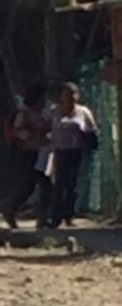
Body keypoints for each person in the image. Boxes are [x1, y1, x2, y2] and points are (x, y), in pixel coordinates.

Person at [2, 85, 51, 229]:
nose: (44, 101)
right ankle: (10, 209)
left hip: (42, 155)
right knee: (29, 187)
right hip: (26, 155)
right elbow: (18, 132)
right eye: (42, 99)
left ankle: (42, 218)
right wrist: (31, 137)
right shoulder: (24, 114)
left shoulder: (43, 114)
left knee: (46, 186)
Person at [49, 82, 97, 228]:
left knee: (72, 185)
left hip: (76, 151)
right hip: (58, 151)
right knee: (58, 184)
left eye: (73, 94)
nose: (70, 97)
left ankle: (69, 215)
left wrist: (86, 138)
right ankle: (55, 217)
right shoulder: (53, 111)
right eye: (66, 94)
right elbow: (45, 127)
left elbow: (92, 130)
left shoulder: (83, 112)